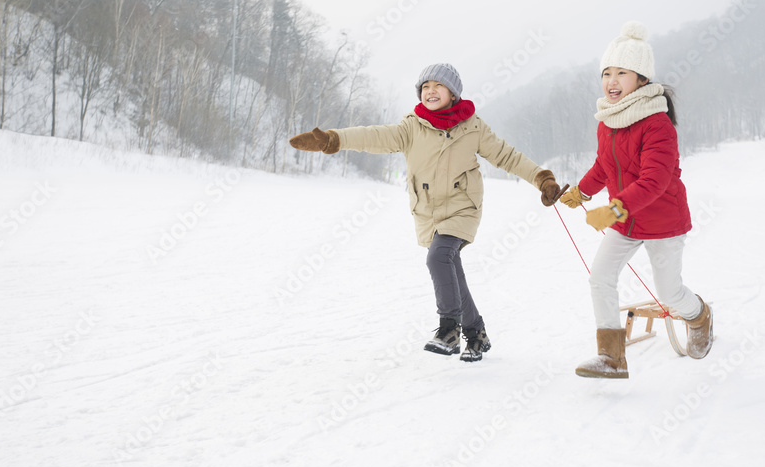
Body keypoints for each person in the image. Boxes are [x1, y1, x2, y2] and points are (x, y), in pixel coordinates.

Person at [289, 63, 562, 362]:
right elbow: (374, 136)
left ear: (453, 93)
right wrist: (333, 138)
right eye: (425, 87)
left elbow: (507, 156)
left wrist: (542, 178)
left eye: (438, 86)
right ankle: (476, 332)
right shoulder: (411, 127)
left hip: (463, 207)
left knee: (438, 257)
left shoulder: (474, 127)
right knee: (452, 269)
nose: (430, 91)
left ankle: (449, 329)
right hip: (428, 211)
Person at [559, 22, 713, 379]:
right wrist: (581, 191)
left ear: (641, 80)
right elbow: (604, 165)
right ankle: (612, 357)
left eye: (621, 73)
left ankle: (699, 316)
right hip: (627, 222)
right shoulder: (608, 121)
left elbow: (654, 181)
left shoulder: (657, 124)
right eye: (606, 73)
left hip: (663, 223)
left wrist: (611, 210)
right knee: (600, 277)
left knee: (670, 294)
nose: (611, 81)